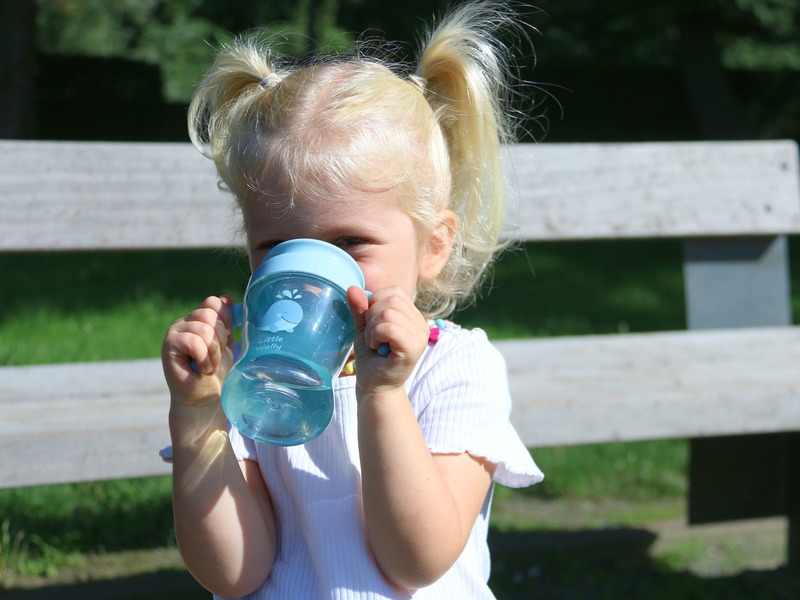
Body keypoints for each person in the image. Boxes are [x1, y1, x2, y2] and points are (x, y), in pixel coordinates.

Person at [161, 1, 543, 598]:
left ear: (432, 246)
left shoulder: (454, 370)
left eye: (349, 244)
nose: (311, 274)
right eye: (278, 246)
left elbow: (415, 561)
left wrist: (382, 393)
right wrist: (197, 416)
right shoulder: (251, 377)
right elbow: (234, 571)